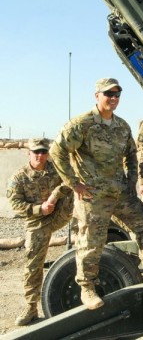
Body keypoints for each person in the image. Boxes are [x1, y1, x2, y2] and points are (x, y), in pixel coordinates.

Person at [49, 77, 143, 310]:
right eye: (109, 94)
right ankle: (87, 287)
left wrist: (131, 181)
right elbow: (56, 151)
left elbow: (131, 154)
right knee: (91, 242)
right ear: (97, 95)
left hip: (119, 192)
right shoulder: (82, 124)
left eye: (117, 94)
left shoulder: (122, 126)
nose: (114, 98)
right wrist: (74, 183)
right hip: (93, 197)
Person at [7, 138, 74, 326]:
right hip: (37, 221)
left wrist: (55, 195)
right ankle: (30, 307)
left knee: (80, 198)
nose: (40, 156)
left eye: (43, 152)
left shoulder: (55, 169)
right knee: (33, 263)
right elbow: (16, 203)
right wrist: (40, 209)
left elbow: (71, 181)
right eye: (36, 152)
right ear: (28, 153)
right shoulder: (19, 177)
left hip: (60, 213)